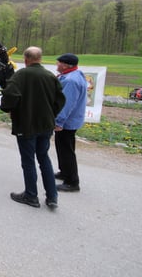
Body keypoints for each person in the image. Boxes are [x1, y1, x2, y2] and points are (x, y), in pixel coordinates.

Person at [0, 46, 65, 209]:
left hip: (26, 125)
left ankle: (31, 196)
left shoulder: (20, 75)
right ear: (40, 59)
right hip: (46, 125)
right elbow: (60, 100)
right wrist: (51, 114)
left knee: (28, 161)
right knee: (44, 158)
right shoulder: (50, 76)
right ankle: (52, 197)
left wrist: (8, 108)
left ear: (26, 59)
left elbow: (10, 95)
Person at [54, 53, 87, 192]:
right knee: (62, 147)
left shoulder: (71, 81)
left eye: (59, 62)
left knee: (66, 150)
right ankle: (64, 172)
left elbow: (66, 104)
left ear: (66, 65)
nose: (57, 65)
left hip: (68, 121)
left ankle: (72, 182)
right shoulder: (74, 74)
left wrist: (59, 122)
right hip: (71, 119)